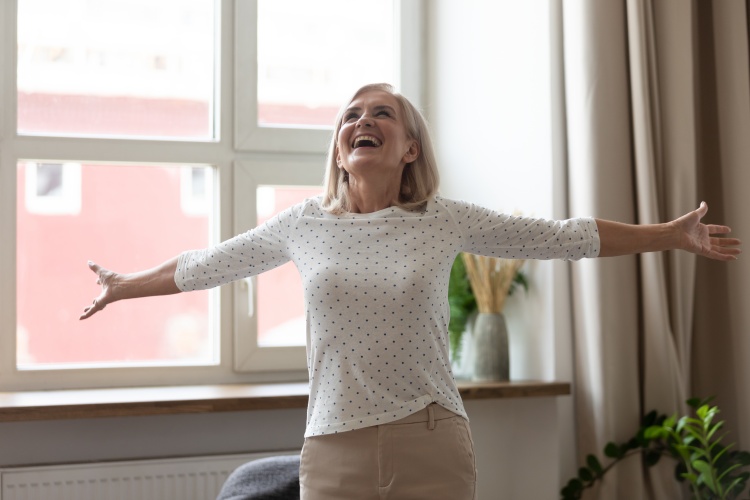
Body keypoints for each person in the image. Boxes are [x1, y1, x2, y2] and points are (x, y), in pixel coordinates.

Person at [80, 83, 741, 500]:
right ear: (340, 151)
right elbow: (204, 265)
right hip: (333, 448)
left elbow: (560, 236)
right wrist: (123, 285)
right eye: (351, 116)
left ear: (408, 149)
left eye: (383, 114)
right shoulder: (302, 226)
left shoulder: (442, 220)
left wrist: (668, 234)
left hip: (431, 439)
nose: (362, 121)